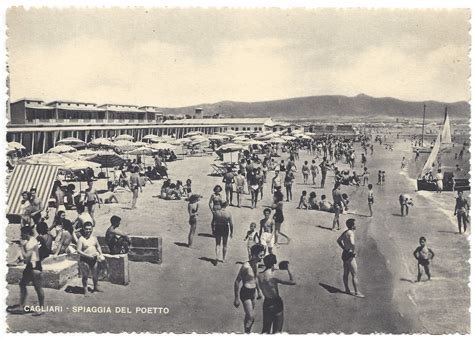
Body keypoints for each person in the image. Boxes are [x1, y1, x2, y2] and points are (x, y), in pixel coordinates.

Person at [257, 253, 296, 333]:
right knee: (277, 332)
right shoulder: (273, 277)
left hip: (267, 302)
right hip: (276, 303)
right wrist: (289, 269)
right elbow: (293, 282)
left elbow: (267, 268)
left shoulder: (259, 275)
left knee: (265, 330)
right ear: (273, 264)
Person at [233, 244, 266, 333]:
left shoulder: (256, 264)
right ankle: (247, 333)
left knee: (248, 317)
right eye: (260, 255)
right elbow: (237, 281)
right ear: (254, 255)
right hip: (245, 293)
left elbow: (255, 278)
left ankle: (246, 332)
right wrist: (236, 298)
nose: (262, 258)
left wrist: (259, 291)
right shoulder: (246, 266)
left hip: (253, 292)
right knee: (251, 317)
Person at [14, 226, 45, 315]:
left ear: (26, 233)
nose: (21, 236)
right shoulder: (30, 241)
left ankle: (41, 308)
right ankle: (21, 306)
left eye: (22, 234)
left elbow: (26, 257)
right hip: (30, 267)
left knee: (38, 288)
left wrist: (21, 246)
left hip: (35, 267)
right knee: (22, 284)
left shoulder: (31, 242)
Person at [336, 218, 364, 297]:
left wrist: (344, 248)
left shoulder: (345, 232)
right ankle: (356, 292)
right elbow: (352, 243)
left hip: (344, 254)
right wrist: (354, 250)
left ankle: (347, 290)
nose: (356, 225)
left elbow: (338, 240)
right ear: (352, 226)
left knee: (345, 273)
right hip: (350, 255)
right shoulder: (351, 233)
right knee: (354, 274)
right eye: (355, 224)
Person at [77, 222, 104, 296]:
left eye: (90, 229)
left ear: (92, 229)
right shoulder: (81, 239)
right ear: (83, 229)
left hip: (94, 259)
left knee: (95, 274)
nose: (88, 231)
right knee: (85, 275)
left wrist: (101, 253)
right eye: (86, 229)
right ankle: (85, 290)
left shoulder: (94, 238)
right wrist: (88, 256)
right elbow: (78, 251)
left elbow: (98, 246)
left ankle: (95, 287)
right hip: (84, 260)